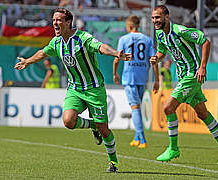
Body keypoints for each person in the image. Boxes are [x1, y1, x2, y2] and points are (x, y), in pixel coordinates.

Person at [14, 8, 132, 172]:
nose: (55, 23)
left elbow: (100, 47)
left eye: (59, 20)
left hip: (94, 89)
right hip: (75, 89)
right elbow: (43, 53)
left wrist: (116, 54)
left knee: (104, 129)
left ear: (68, 22)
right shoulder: (56, 43)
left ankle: (114, 162)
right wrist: (27, 61)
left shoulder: (83, 38)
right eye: (54, 20)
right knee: (68, 121)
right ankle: (93, 125)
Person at [150, 5, 218, 164]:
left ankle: (173, 148)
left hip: (192, 74)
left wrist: (202, 67)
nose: (155, 21)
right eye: (153, 18)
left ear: (167, 17)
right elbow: (162, 52)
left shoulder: (181, 31)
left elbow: (205, 42)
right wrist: (156, 58)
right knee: (202, 113)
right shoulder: (160, 34)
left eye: (158, 17)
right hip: (182, 77)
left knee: (168, 108)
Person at [113, 15, 158, 149]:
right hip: (142, 75)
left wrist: (115, 73)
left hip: (130, 76)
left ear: (130, 26)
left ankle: (143, 139)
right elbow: (153, 60)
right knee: (136, 107)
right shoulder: (148, 40)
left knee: (135, 108)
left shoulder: (124, 39)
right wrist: (156, 79)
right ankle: (137, 138)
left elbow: (117, 57)